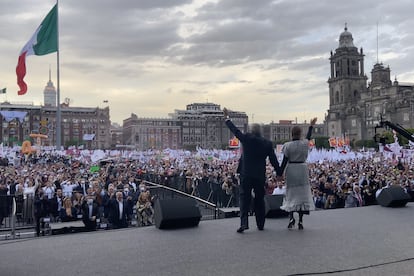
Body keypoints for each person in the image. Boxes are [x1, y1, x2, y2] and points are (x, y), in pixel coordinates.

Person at [223, 107, 280, 233]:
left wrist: (227, 119)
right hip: (259, 175)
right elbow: (273, 160)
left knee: (244, 199)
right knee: (259, 199)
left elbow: (235, 131)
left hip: (246, 174)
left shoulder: (247, 139)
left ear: (251, 131)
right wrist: (279, 172)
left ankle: (244, 224)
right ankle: (260, 223)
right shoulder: (267, 144)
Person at [278, 118, 317, 230]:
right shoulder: (305, 144)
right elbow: (308, 137)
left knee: (291, 194)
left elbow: (284, 161)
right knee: (302, 196)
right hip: (302, 169)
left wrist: (280, 173)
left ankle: (291, 217)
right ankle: (300, 220)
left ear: (292, 134)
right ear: (300, 134)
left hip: (291, 169)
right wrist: (311, 126)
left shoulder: (287, 145)